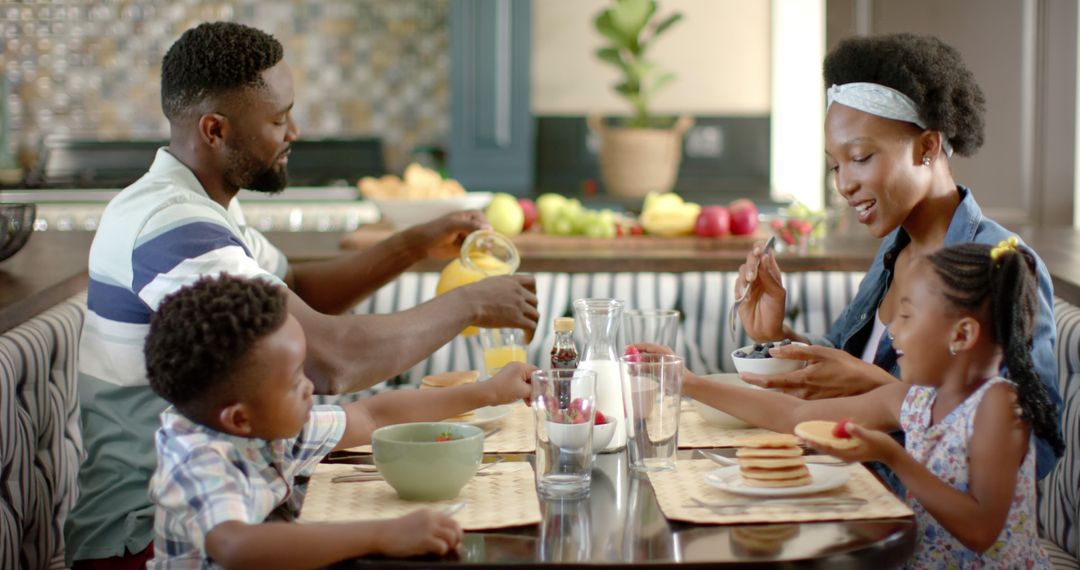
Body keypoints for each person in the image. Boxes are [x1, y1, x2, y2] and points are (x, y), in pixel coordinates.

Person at [66, 22, 539, 569]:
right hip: (142, 535)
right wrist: (471, 303)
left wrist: (414, 243)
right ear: (215, 130)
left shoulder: (200, 201)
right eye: (277, 118)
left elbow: (293, 291)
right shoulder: (170, 227)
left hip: (245, 494)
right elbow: (328, 361)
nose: (294, 131)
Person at [731, 33, 1062, 480]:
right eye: (835, 165)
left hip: (917, 529)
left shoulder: (999, 263)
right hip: (847, 489)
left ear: (927, 148)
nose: (843, 184)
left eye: (861, 157)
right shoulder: (895, 249)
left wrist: (885, 390)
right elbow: (847, 365)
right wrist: (776, 335)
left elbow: (1033, 450)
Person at [671, 241, 1063, 567]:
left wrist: (893, 455)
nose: (893, 331)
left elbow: (981, 531)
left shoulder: (997, 404)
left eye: (907, 315)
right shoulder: (915, 400)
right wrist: (686, 382)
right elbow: (794, 415)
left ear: (961, 335)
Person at [143, 274, 534, 568]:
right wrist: (382, 535)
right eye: (296, 378)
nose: (309, 386)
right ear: (240, 418)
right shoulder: (199, 459)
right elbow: (235, 546)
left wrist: (489, 392)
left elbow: (373, 414)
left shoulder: (268, 423)